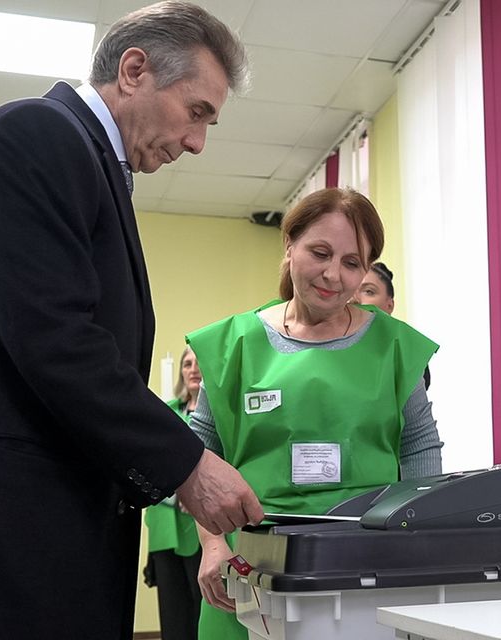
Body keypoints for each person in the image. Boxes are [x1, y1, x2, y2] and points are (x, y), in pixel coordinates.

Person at [0, 3, 263, 638]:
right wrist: (187, 464)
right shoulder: (35, 136)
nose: (198, 141)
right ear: (133, 71)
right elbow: (55, 339)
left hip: (37, 534)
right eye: (197, 111)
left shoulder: (86, 162)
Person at [186, 188, 443, 639]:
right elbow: (198, 456)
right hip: (249, 565)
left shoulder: (396, 348)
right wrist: (210, 545)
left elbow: (420, 449)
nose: (333, 275)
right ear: (289, 246)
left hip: (365, 562)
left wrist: (414, 546)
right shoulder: (233, 346)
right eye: (320, 252)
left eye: (352, 263)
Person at [144, 346, 203, 640]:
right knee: (173, 610)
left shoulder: (219, 414)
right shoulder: (165, 413)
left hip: (203, 528)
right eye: (187, 363)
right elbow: (150, 463)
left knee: (203, 608)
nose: (193, 369)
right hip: (165, 527)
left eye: (198, 362)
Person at [353, 261, 431, 389]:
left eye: (368, 291)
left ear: (389, 305)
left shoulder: (406, 353)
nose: (354, 298)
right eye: (350, 289)